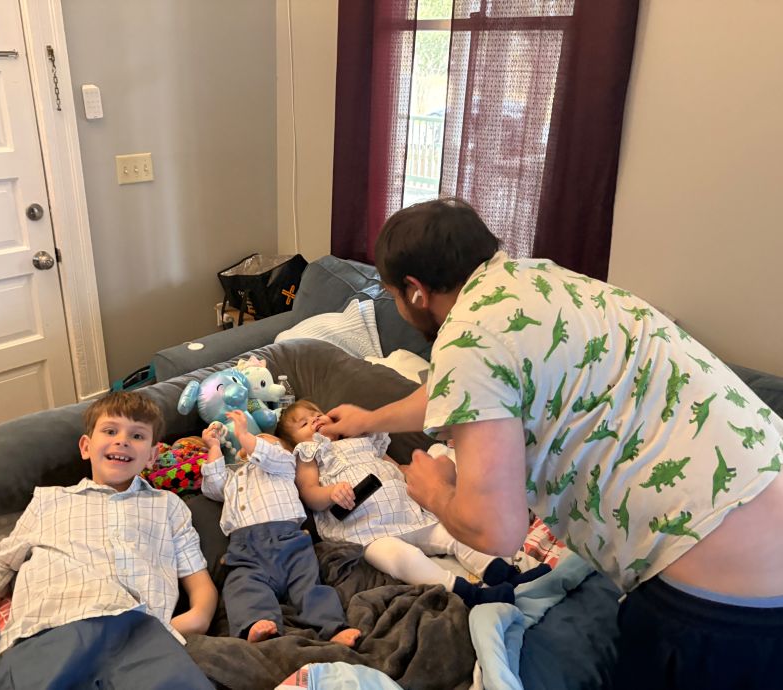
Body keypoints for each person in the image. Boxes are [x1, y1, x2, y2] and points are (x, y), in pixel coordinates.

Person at [320, 197, 783, 689]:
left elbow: (497, 530)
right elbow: (455, 388)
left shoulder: (467, 335)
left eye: (392, 293)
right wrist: (370, 420)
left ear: (415, 291)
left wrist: (434, 491)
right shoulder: (536, 281)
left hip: (717, 588)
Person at [0, 391, 217, 690]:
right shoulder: (49, 500)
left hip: (143, 635)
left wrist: (192, 621)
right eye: (110, 431)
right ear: (86, 446)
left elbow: (198, 580)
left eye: (137, 435)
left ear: (152, 455)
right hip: (51, 629)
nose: (122, 441)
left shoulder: (168, 505)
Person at [279, 399, 549, 608]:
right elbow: (309, 492)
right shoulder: (310, 453)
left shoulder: (363, 438)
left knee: (456, 534)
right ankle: (467, 593)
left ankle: (504, 573)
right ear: (294, 443)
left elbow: (392, 466)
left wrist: (409, 473)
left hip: (409, 511)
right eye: (303, 424)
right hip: (368, 531)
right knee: (400, 558)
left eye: (316, 413)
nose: (314, 420)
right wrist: (331, 494)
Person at [200, 410, 361, 646]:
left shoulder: (284, 464)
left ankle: (333, 627)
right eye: (252, 442)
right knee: (242, 587)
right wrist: (214, 447)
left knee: (310, 586)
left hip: (289, 542)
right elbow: (212, 487)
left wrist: (245, 435)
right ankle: (257, 625)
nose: (256, 443)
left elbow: (269, 455)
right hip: (245, 551)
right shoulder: (235, 477)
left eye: (264, 440)